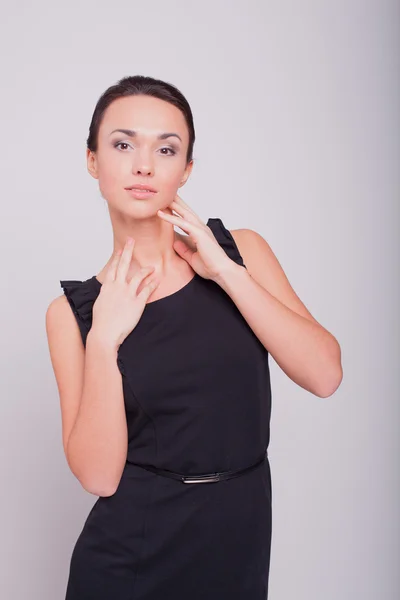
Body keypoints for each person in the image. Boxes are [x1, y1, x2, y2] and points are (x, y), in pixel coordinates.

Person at [46, 75, 343, 599]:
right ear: (92, 160)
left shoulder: (241, 250)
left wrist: (227, 273)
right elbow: (99, 477)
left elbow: (324, 375)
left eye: (166, 149)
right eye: (122, 144)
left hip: (239, 538)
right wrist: (103, 341)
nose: (144, 164)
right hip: (131, 556)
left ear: (185, 170)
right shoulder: (74, 315)